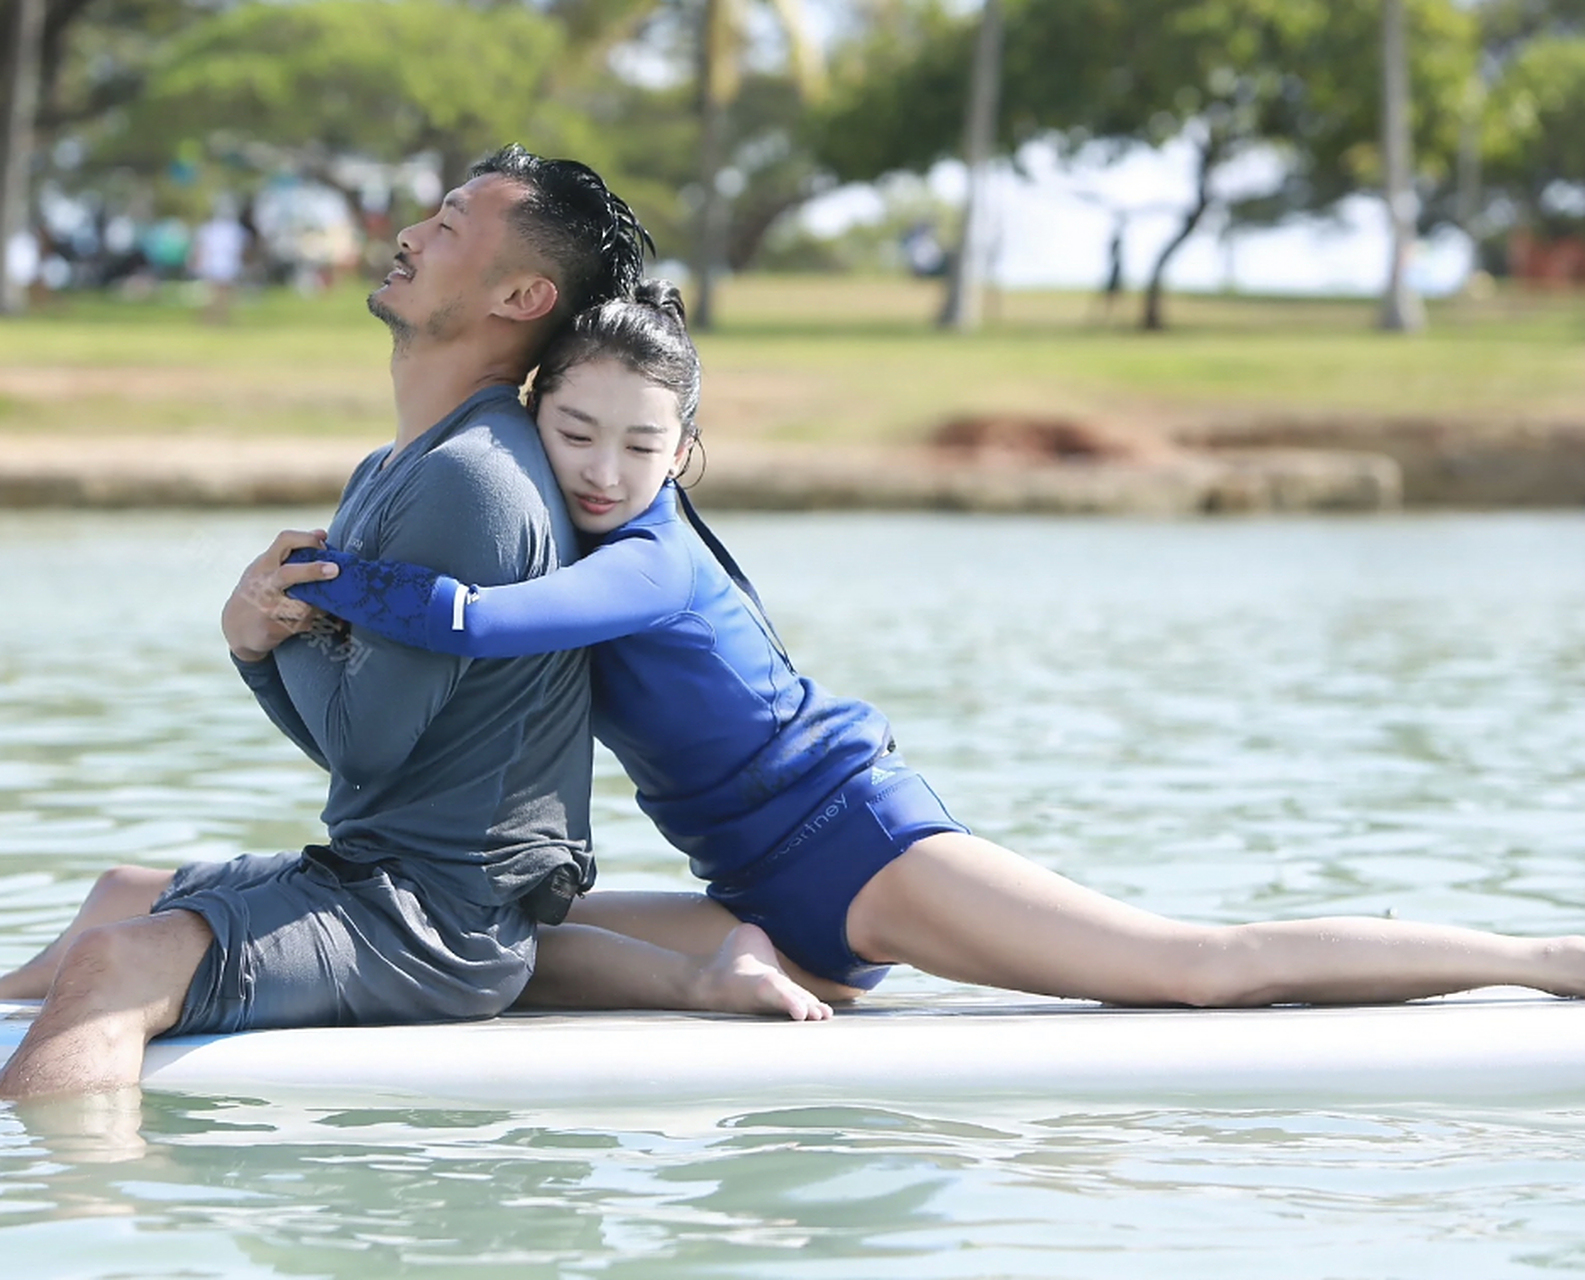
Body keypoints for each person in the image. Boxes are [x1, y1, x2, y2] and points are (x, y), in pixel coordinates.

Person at [282, 279, 1585, 1011]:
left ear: (683, 449)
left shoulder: (650, 558)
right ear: (536, 417)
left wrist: (324, 573)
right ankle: (744, 971)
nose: (606, 468)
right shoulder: (576, 531)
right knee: (500, 936)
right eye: (573, 434)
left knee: (1188, 969)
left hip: (855, 842)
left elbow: (470, 621)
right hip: (754, 888)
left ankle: (1542, 961)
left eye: (639, 443)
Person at [0, 150, 827, 1103]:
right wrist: (258, 646)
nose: (409, 234)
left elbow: (364, 747)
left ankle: (68, 1216)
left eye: (449, 224)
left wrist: (277, 633)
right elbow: (356, 740)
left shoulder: (469, 482)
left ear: (521, 293)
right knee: (115, 896)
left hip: (425, 925)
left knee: (112, 966)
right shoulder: (390, 470)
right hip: (377, 877)